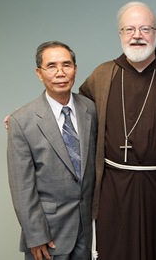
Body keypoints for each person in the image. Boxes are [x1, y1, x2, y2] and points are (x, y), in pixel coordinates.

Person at [79, 1, 156, 260]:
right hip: (113, 187)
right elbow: (74, 109)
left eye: (145, 28)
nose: (137, 35)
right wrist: (27, 116)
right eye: (129, 29)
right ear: (120, 34)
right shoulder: (103, 74)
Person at [7, 41, 97, 260]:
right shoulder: (22, 120)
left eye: (66, 65)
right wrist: (35, 235)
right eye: (52, 66)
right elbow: (22, 186)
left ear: (75, 69)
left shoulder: (91, 109)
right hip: (48, 234)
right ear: (39, 73)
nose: (60, 73)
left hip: (87, 231)